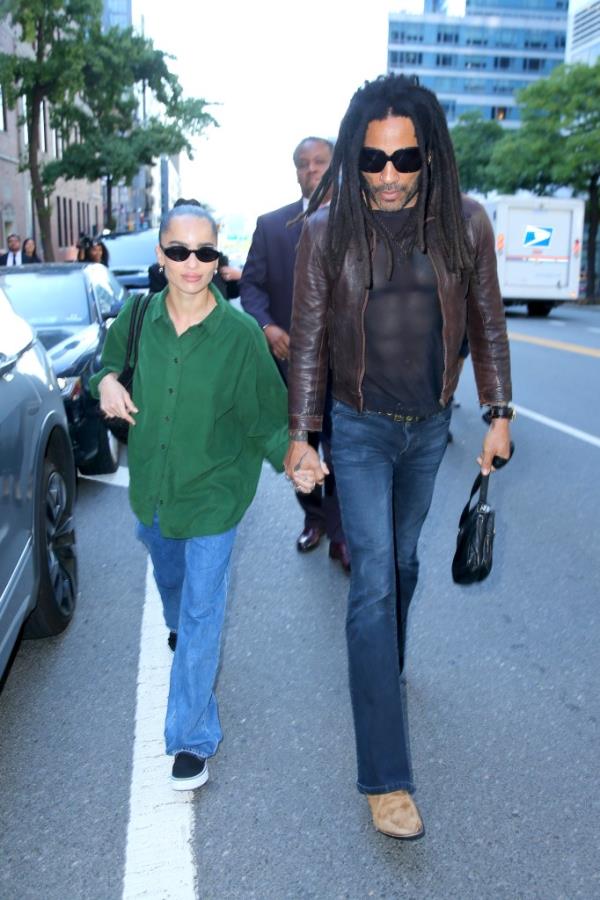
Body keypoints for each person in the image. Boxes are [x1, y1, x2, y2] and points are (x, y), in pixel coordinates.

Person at [285, 74, 513, 840]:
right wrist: (302, 433)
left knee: (405, 567)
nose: (387, 177)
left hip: (428, 429)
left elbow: (487, 321)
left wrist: (497, 414)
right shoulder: (328, 231)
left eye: (404, 161)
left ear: (430, 158)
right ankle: (386, 781)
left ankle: (385, 667)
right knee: (374, 583)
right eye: (374, 161)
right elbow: (310, 336)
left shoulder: (465, 225)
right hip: (358, 426)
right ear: (354, 157)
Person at [90, 203, 300, 791]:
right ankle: (183, 634)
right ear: (161, 254)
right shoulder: (134, 318)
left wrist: (295, 456)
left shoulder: (239, 337)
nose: (191, 263)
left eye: (204, 252)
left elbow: (266, 419)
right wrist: (106, 381)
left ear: (217, 260)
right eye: (178, 250)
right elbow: (102, 367)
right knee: (178, 594)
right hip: (154, 496)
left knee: (203, 611)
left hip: (214, 496)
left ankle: (189, 737)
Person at [241, 137, 350, 571]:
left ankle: (342, 536)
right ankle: (315, 520)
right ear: (295, 171)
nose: (312, 171)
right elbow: (250, 285)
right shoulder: (272, 226)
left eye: (320, 162)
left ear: (335, 166)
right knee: (301, 448)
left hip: (343, 367)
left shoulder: (357, 225)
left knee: (341, 452)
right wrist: (267, 327)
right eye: (303, 164)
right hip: (290, 366)